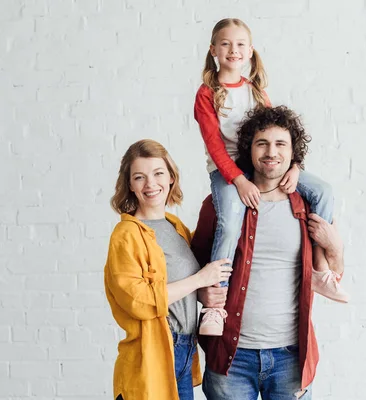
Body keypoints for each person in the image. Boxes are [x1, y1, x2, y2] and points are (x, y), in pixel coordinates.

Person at [194, 18, 348, 336]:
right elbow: (215, 146)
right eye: (225, 44)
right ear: (213, 51)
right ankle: (215, 307)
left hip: (257, 165)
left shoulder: (256, 92)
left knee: (323, 192)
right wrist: (239, 180)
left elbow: (278, 135)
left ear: (250, 51)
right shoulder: (208, 94)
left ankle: (320, 272)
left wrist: (295, 167)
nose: (233, 50)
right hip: (227, 172)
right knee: (231, 218)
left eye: (240, 45)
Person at [191, 106, 346, 399]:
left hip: (291, 357)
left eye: (280, 144)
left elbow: (334, 272)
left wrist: (335, 247)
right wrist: (202, 293)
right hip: (231, 358)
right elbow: (194, 269)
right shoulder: (221, 207)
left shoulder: (309, 206)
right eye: (262, 143)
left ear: (293, 152)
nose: (270, 152)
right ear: (249, 149)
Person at [104, 139, 232, 400]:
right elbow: (138, 301)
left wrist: (202, 292)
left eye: (158, 173)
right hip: (151, 355)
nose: (151, 184)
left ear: (171, 177)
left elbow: (179, 286)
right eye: (139, 177)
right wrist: (199, 279)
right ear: (129, 184)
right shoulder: (126, 234)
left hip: (184, 350)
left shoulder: (175, 226)